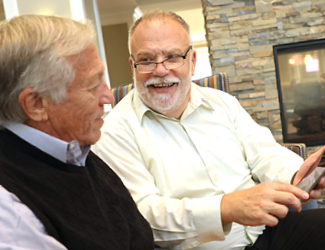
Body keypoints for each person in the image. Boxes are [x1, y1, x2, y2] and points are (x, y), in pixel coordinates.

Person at [93, 10, 325, 250]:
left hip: (268, 231)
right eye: (147, 60)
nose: (160, 70)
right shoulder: (113, 133)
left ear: (192, 62)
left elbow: (264, 153)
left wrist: (296, 174)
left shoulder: (222, 102)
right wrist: (225, 208)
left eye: (173, 56)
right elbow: (143, 214)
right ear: (133, 65)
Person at [0, 15, 154, 250]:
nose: (108, 97)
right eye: (92, 86)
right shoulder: (10, 209)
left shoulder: (77, 153)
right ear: (36, 104)